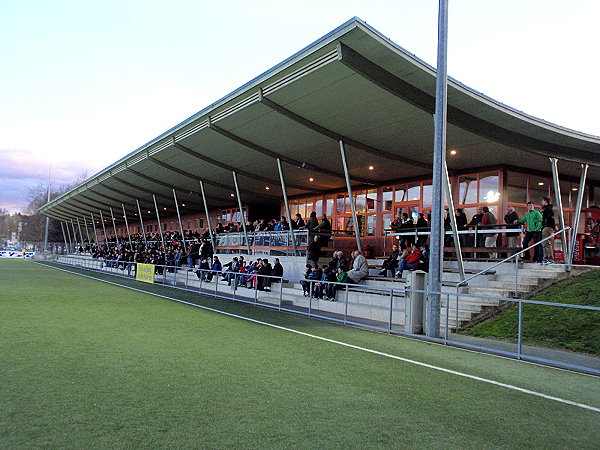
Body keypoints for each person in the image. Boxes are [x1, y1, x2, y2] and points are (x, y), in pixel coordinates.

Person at [541, 197, 556, 264]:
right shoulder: (547, 209)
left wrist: (545, 225)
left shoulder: (548, 209)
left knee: (546, 242)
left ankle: (549, 258)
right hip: (547, 227)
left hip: (548, 227)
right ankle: (546, 257)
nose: (542, 202)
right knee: (545, 242)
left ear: (545, 201)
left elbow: (549, 218)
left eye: (542, 201)